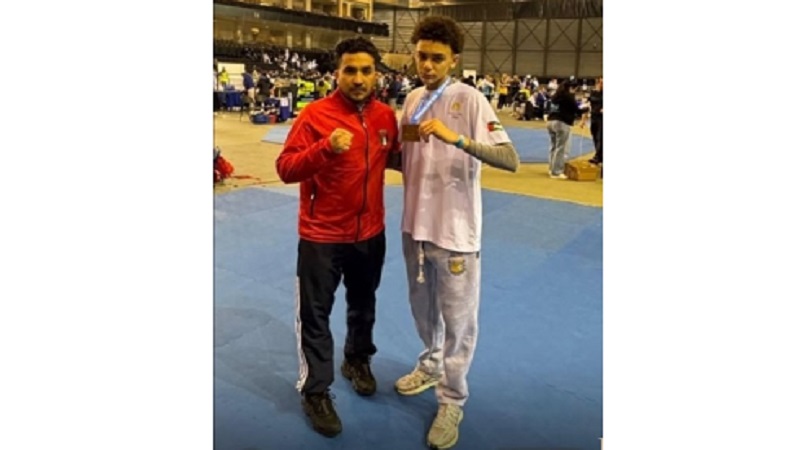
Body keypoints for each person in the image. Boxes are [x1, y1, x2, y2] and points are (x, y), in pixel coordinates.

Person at [393, 15, 520, 450]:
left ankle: (452, 398)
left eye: (437, 58)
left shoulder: (470, 99)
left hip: (456, 232)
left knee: (459, 321)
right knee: (422, 310)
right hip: (415, 226)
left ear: (454, 60)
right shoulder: (412, 99)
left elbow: (509, 159)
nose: (427, 65)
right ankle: (430, 365)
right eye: (421, 56)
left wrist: (457, 139)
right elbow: (407, 155)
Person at [275, 37, 400, 438]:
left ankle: (357, 359)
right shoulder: (314, 115)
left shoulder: (385, 116)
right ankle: (315, 390)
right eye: (350, 70)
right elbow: (285, 168)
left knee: (364, 305)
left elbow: (396, 157)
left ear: (376, 74)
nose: (358, 78)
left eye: (366, 70)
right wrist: (325, 149)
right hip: (322, 236)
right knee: (316, 315)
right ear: (337, 73)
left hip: (370, 232)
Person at [546, 78, 583, 179]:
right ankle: (557, 171)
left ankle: (551, 168)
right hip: (562, 122)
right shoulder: (568, 96)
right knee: (560, 148)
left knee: (553, 146)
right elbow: (576, 110)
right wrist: (587, 109)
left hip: (551, 121)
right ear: (571, 87)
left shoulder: (555, 96)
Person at [587, 77, 603, 165]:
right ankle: (599, 155)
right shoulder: (593, 93)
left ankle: (598, 157)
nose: (601, 84)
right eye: (600, 83)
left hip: (601, 118)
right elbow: (589, 103)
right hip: (593, 117)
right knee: (594, 136)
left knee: (600, 137)